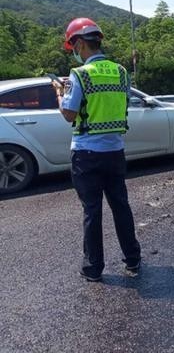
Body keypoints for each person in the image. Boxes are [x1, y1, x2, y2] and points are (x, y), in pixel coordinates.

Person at [52, 17, 141, 282]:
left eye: (74, 47)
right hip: (115, 151)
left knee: (92, 211)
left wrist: (59, 92)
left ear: (79, 43)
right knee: (121, 207)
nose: (75, 52)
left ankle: (93, 268)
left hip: (86, 153)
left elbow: (69, 114)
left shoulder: (78, 75)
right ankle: (133, 260)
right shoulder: (122, 72)